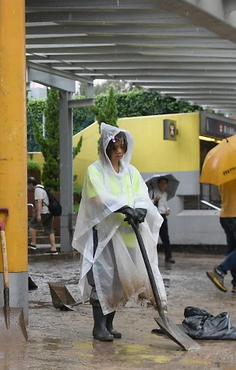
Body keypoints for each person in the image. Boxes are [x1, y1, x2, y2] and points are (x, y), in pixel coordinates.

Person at [72, 123, 165, 342]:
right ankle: (98, 327)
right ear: (106, 148)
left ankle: (110, 324)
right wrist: (123, 208)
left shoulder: (131, 172)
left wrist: (141, 208)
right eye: (115, 148)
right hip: (104, 237)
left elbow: (141, 193)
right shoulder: (95, 171)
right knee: (102, 279)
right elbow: (97, 200)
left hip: (128, 237)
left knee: (118, 282)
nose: (119, 152)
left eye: (122, 147)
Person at [28, 177, 58, 254]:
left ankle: (33, 244)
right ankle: (53, 248)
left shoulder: (37, 190)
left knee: (31, 225)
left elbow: (40, 202)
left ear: (31, 184)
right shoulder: (42, 188)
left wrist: (38, 215)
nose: (28, 187)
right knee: (49, 230)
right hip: (49, 212)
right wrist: (35, 210)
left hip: (44, 212)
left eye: (29, 185)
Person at [150, 177, 174, 263]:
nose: (163, 185)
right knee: (153, 236)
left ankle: (168, 256)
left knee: (165, 237)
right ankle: (151, 257)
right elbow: (148, 203)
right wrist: (154, 200)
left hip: (163, 216)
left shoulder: (165, 194)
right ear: (158, 183)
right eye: (162, 183)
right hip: (155, 216)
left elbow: (165, 204)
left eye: (165, 183)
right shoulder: (152, 191)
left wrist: (168, 209)